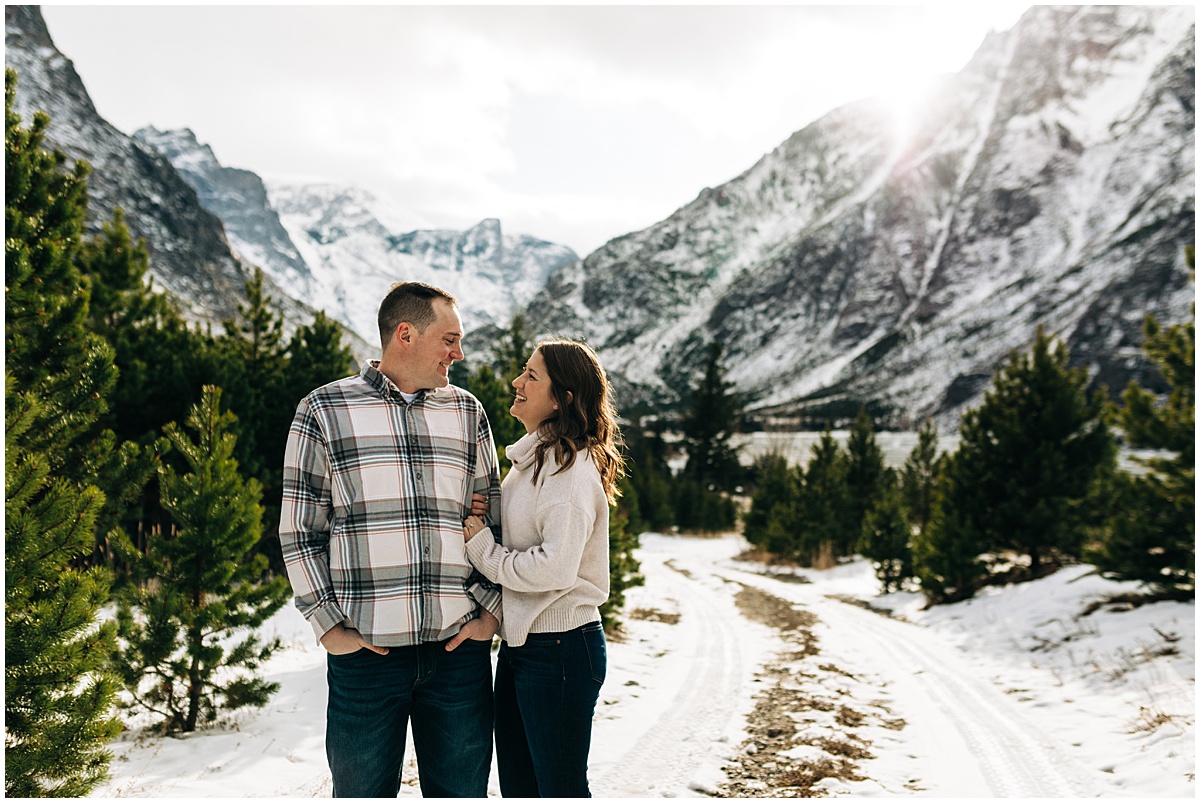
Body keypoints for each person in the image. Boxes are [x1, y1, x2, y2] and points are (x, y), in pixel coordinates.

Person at [279, 281, 503, 798]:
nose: (459, 353)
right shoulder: (324, 411)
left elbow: (494, 517)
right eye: (449, 339)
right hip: (367, 657)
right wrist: (328, 624)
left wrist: (489, 612)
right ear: (405, 334)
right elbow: (299, 529)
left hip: (458, 655)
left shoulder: (467, 413)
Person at [462, 338, 626, 798]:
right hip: (526, 646)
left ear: (562, 398)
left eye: (531, 376)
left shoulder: (566, 470)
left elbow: (554, 567)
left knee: (558, 790)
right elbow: (526, 529)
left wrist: (485, 552)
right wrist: (489, 512)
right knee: (521, 789)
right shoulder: (535, 460)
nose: (517, 382)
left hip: (560, 649)